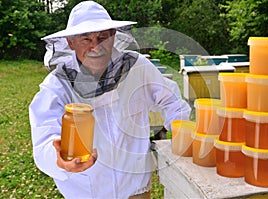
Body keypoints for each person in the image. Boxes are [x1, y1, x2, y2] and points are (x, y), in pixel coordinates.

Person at [29, 1, 191, 198]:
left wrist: (181, 132)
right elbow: (44, 137)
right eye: (86, 39)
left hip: (136, 189)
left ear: (114, 36)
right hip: (86, 192)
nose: (95, 46)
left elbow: (172, 101)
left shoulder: (138, 67)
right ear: (70, 43)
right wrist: (58, 158)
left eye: (102, 37)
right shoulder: (57, 85)